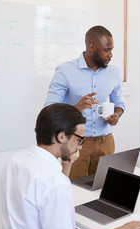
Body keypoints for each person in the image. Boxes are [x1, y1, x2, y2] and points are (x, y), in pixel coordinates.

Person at [0, 103, 140, 229]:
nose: (80, 147)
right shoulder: (55, 183)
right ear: (61, 136)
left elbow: (46, 196)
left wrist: (66, 164)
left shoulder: (15, 161)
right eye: (80, 140)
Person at [45, 25, 125, 180]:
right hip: (75, 144)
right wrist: (76, 109)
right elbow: (49, 110)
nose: (111, 54)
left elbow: (119, 102)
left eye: (112, 49)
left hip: (106, 142)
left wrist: (117, 114)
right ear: (92, 47)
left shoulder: (114, 72)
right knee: (73, 192)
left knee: (103, 191)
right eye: (107, 50)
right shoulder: (65, 71)